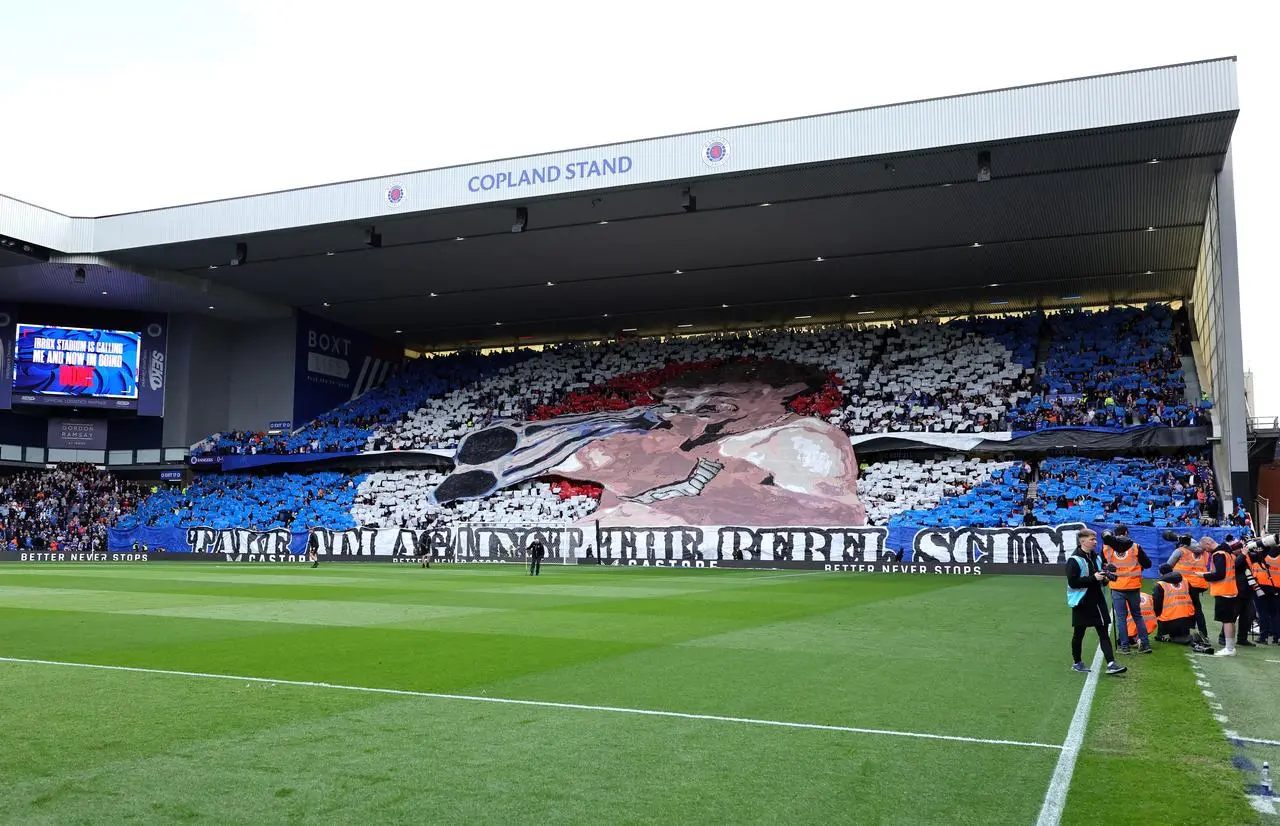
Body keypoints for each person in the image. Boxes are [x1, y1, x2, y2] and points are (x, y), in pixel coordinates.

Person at [1066, 529, 1127, 675]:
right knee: (1079, 634)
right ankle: (1077, 662)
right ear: (1082, 541)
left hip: (1097, 600)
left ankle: (1111, 663)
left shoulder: (1097, 557)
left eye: (1095, 539)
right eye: (1092, 539)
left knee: (1103, 633)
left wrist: (1105, 578)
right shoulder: (1074, 560)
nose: (1095, 542)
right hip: (1081, 601)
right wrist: (1094, 578)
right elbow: (1073, 583)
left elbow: (1101, 581)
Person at [1102, 525, 1153, 654]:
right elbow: (1148, 564)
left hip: (1117, 586)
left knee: (1121, 618)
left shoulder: (1107, 547)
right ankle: (1145, 645)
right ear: (1126, 533)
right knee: (1137, 616)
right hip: (1133, 586)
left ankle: (1124, 647)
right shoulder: (1135, 547)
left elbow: (1102, 565)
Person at [1204, 537, 1243, 657]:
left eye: (1205, 547)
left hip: (1224, 591)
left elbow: (1220, 574)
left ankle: (1229, 648)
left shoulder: (1219, 554)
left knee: (1227, 621)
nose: (1205, 550)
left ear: (1208, 543)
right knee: (1230, 620)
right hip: (1231, 590)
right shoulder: (1228, 553)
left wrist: (1205, 575)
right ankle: (1230, 647)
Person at [1168, 535, 1210, 638]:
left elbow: (1169, 565)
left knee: (1182, 608)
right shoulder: (1204, 552)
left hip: (1184, 585)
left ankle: (1183, 632)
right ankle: (1203, 633)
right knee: (1197, 609)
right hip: (1198, 584)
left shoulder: (1180, 551)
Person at [1151, 564, 1196, 643]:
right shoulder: (1185, 581)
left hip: (1169, 619)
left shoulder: (1160, 585)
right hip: (1187, 617)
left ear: (1161, 573)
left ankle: (1163, 636)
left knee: (1169, 636)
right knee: (1182, 635)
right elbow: (1193, 598)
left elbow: (1157, 605)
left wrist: (1155, 615)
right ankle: (1185, 637)